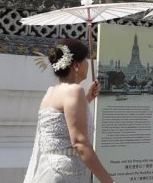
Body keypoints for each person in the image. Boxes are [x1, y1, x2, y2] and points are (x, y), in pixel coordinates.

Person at [23, 39, 112, 183]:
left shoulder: (51, 92)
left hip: (48, 170)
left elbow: (66, 118)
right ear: (76, 65)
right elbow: (80, 143)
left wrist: (87, 98)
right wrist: (109, 181)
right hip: (66, 173)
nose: (88, 63)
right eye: (85, 59)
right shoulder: (74, 91)